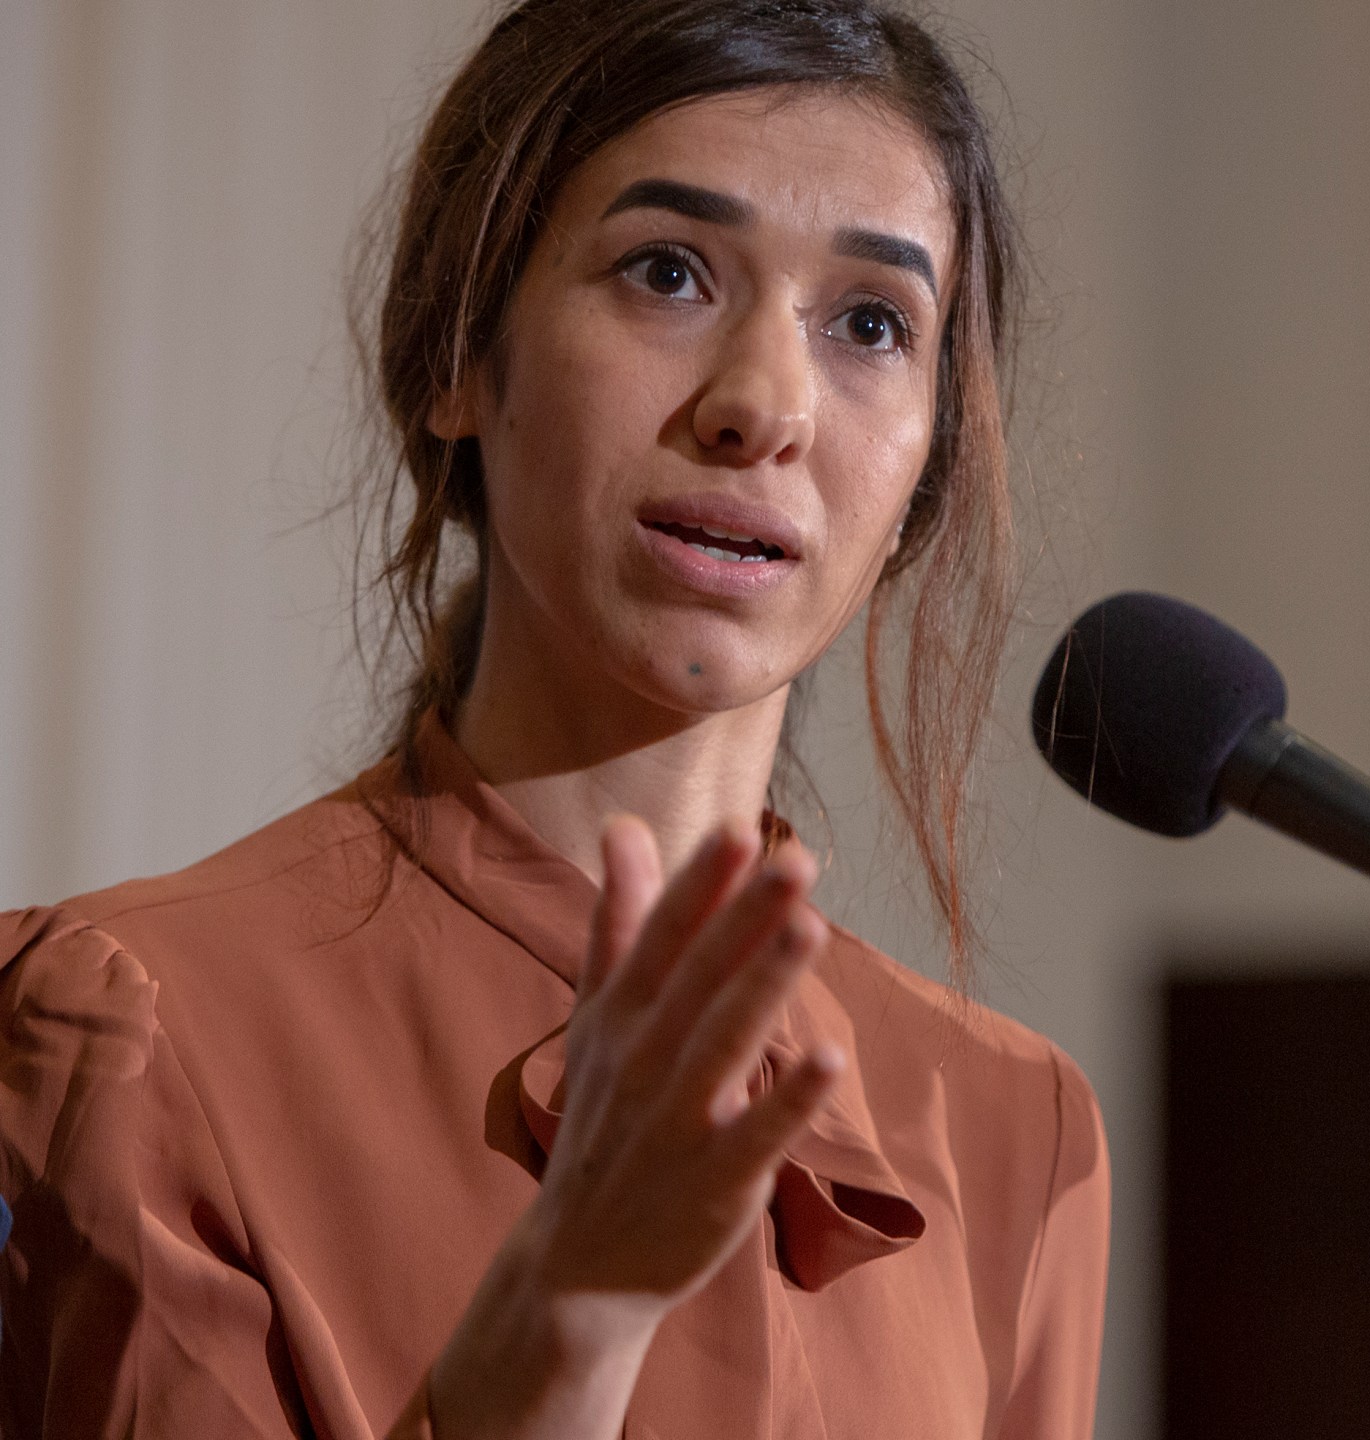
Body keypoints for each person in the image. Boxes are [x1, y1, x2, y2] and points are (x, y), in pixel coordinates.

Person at [0, 2, 1108, 1436]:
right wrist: (565, 1328)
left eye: (871, 324)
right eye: (667, 272)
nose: (767, 404)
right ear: (460, 355)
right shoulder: (129, 1021)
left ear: (924, 479)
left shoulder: (1014, 1128)